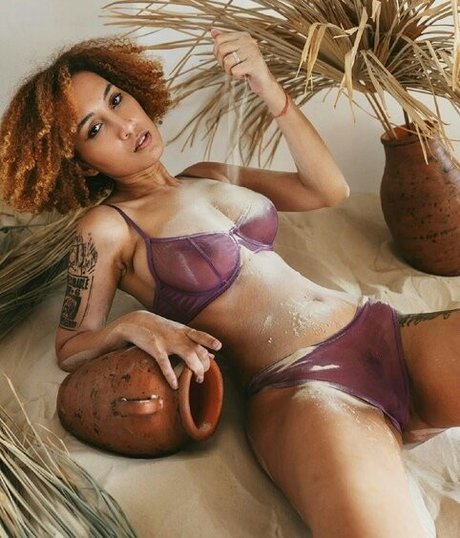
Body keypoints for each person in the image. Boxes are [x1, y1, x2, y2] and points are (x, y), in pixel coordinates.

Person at [1, 27, 459, 538]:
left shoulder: (207, 174)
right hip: (304, 388)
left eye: (116, 99)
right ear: (83, 167)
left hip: (385, 333)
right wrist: (133, 323)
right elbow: (71, 345)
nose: (125, 125)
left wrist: (266, 85)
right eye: (95, 129)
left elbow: (328, 190)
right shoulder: (107, 228)